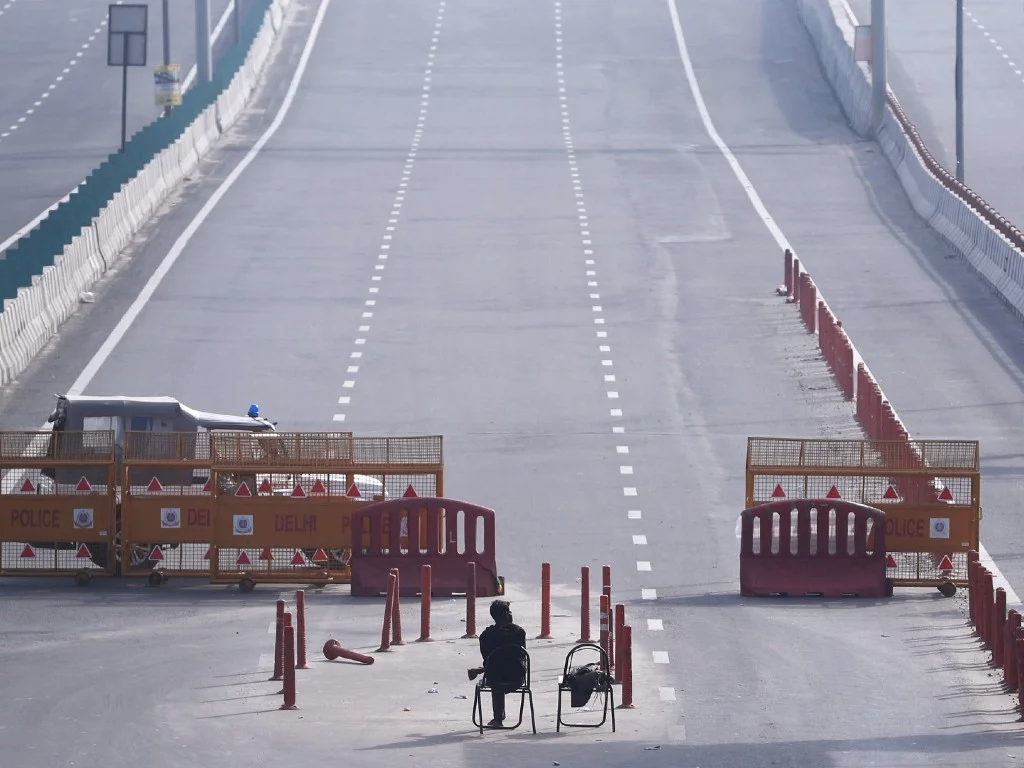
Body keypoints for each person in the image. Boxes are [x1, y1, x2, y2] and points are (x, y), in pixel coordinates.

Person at [469, 599, 527, 727]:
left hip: (494, 679)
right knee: (503, 671)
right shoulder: (519, 632)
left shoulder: (486, 635)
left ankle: (498, 719)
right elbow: (521, 656)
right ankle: (498, 718)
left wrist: (480, 670)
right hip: (517, 678)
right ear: (506, 614)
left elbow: (488, 661)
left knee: (496, 675)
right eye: (510, 612)